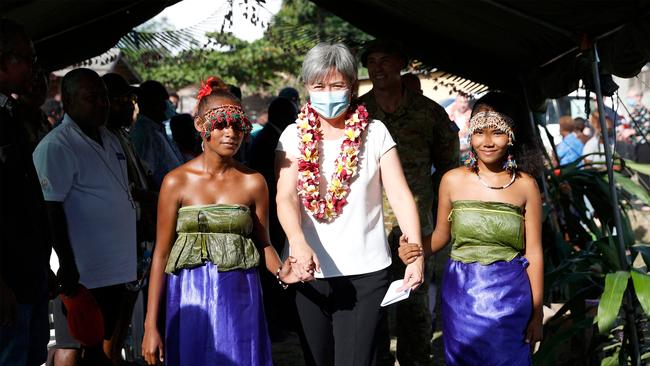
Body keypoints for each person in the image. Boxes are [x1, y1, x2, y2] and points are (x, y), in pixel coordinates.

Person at [276, 42, 424, 366]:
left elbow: (400, 194)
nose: (327, 93)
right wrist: (298, 243)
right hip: (307, 272)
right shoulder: (291, 136)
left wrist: (416, 255)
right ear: (307, 87)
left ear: (353, 86)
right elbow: (285, 195)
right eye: (319, 86)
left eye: (337, 85)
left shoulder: (375, 133)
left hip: (366, 274)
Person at [141, 76, 301, 365]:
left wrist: (281, 271)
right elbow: (161, 254)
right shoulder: (176, 182)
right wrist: (150, 324)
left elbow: (263, 243)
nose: (231, 133)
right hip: (188, 300)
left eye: (238, 125)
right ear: (201, 126)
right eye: (221, 123)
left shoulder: (254, 182)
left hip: (240, 300)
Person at [400, 91, 544, 365]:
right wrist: (415, 252)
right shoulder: (452, 181)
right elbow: (442, 236)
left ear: (512, 134)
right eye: (479, 131)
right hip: (461, 298)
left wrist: (536, 313)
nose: (487, 142)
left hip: (511, 299)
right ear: (469, 133)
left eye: (497, 132)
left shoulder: (526, 185)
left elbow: (534, 253)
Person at [359, 39, 460, 366]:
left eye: (385, 60)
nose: (377, 67)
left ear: (401, 63)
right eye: (371, 61)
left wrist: (433, 205)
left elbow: (450, 169)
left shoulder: (428, 112)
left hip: (414, 226)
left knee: (414, 306)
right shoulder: (357, 114)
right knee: (370, 304)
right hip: (366, 225)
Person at [33, 68, 137, 364]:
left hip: (117, 269)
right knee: (74, 345)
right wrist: (67, 265)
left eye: (103, 97)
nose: (101, 104)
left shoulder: (111, 138)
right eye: (92, 98)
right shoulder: (57, 145)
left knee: (102, 349)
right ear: (67, 100)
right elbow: (50, 210)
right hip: (82, 273)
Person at [0, 18, 57, 366]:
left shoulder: (10, 113)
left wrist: (41, 264)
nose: (34, 68)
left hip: (29, 273)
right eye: (27, 58)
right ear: (3, 61)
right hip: (7, 282)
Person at [248, 96, 299, 340]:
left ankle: (282, 318)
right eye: (293, 111)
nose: (297, 115)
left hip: (277, 212)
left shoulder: (270, 136)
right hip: (269, 213)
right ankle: (276, 321)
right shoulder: (268, 140)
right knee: (272, 268)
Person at [131, 80, 184, 189]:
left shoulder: (157, 129)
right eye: (164, 101)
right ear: (153, 103)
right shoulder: (145, 133)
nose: (167, 106)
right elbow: (147, 174)